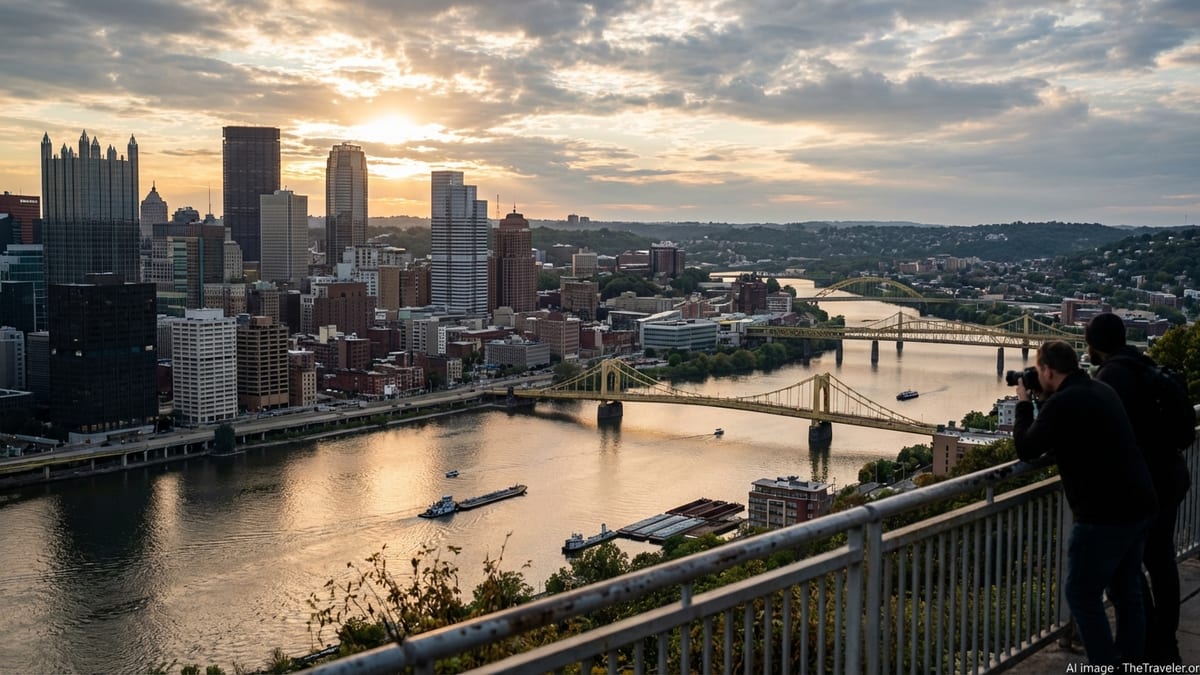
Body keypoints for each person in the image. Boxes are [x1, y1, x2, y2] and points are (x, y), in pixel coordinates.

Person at [1012, 340, 1157, 665]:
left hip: (1103, 514)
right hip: (1140, 503)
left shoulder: (1063, 403)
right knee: (1126, 590)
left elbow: (1027, 448)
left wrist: (1023, 404)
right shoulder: (1100, 389)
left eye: (1038, 371)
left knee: (1081, 594)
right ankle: (1131, 661)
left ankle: (1106, 665)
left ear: (1047, 371)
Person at [1086, 312, 1192, 664]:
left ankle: (1145, 639)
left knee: (1124, 567)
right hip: (1171, 476)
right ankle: (1165, 637)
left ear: (1095, 345)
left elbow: (1096, 433)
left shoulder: (1109, 378)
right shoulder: (1145, 365)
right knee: (1161, 561)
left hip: (1139, 487)